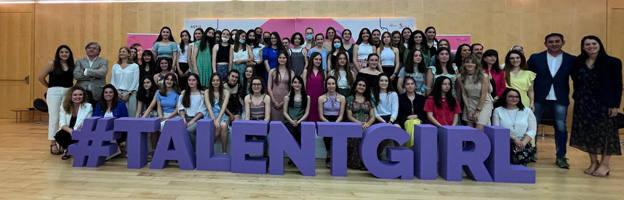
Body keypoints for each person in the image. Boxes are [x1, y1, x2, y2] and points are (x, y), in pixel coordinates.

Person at [570, 35, 622, 177]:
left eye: (594, 43)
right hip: (584, 103)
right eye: (587, 44)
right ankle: (593, 162)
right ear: (583, 46)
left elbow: (617, 85)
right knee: (588, 133)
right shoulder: (578, 62)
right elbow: (576, 80)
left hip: (604, 104)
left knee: (607, 134)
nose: (591, 46)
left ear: (599, 45)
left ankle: (605, 165)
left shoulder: (613, 62)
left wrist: (615, 105)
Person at [527, 33, 576, 169]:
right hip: (538, 98)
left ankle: (561, 156)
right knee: (533, 126)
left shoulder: (571, 59)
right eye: (550, 41)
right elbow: (527, 77)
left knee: (560, 127)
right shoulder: (536, 58)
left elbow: (578, 78)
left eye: (557, 41)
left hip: (560, 98)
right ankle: (531, 152)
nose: (554, 44)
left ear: (563, 42)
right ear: (545, 43)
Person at [38, 45, 75, 155]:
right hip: (54, 92)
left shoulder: (72, 65)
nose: (64, 54)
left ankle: (63, 142)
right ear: (58, 54)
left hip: (68, 91)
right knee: (54, 117)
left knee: (66, 117)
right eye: (62, 52)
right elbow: (40, 77)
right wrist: (50, 86)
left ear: (70, 54)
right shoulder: (52, 64)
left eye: (66, 52)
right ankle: (53, 143)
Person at [492, 88, 537, 166]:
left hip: (523, 143)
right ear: (505, 97)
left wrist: (523, 143)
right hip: (505, 142)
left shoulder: (527, 111)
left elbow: (532, 130)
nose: (514, 99)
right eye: (511, 96)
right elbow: (497, 130)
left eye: (517, 97)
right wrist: (514, 139)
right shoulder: (498, 111)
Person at [54, 86, 93, 160]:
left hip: (81, 130)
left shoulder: (88, 106)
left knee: (75, 136)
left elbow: (86, 123)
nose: (77, 97)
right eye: (75, 95)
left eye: (80, 95)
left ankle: (69, 149)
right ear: (70, 96)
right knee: (59, 135)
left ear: (83, 96)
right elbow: (62, 123)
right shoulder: (64, 106)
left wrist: (75, 131)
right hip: (68, 130)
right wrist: (70, 131)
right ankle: (67, 149)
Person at [346, 78, 376, 170]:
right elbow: (349, 116)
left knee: (368, 136)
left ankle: (366, 163)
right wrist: (359, 123)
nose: (361, 87)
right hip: (354, 125)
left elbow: (373, 116)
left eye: (363, 85)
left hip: (367, 125)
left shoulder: (369, 99)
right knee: (356, 136)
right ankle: (354, 163)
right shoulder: (350, 98)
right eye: (359, 85)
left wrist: (367, 124)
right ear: (355, 86)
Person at [457, 55, 493, 130]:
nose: (470, 64)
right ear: (463, 64)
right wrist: (468, 110)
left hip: (484, 103)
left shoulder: (484, 76)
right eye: (467, 62)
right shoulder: (460, 77)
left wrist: (478, 111)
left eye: (473, 62)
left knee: (479, 128)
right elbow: (464, 94)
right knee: (470, 129)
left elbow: (483, 94)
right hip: (469, 102)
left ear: (476, 65)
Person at [93, 84, 129, 156]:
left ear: (114, 94)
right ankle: (112, 150)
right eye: (106, 92)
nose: (108, 94)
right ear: (103, 94)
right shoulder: (99, 105)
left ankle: (114, 149)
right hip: (101, 132)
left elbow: (125, 121)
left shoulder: (121, 104)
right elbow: (94, 119)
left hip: (116, 133)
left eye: (110, 92)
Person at [318, 76, 347, 168]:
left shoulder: (342, 98)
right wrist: (328, 124)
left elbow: (341, 115)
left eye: (333, 83)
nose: (331, 86)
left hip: (337, 120)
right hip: (325, 120)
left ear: (336, 85)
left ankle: (336, 157)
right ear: (326, 85)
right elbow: (321, 115)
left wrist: (335, 124)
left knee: (336, 137)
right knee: (327, 137)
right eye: (329, 84)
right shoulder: (321, 98)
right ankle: (329, 155)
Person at [177, 73, 207, 144]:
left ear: (197, 81)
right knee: (176, 129)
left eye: (193, 80)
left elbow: (202, 110)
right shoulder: (184, 94)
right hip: (185, 118)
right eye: (189, 80)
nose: (191, 82)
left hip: (198, 120)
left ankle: (194, 151)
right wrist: (183, 119)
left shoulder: (202, 95)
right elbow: (181, 108)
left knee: (188, 130)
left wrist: (192, 121)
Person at [111, 47, 140, 117]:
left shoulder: (135, 66)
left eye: (123, 51)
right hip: (117, 94)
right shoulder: (115, 66)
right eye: (120, 51)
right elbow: (113, 81)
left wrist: (128, 94)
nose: (121, 53)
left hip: (131, 94)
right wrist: (117, 93)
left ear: (129, 54)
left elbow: (135, 81)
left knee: (131, 115)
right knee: (118, 114)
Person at [205, 74, 230, 153]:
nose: (215, 82)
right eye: (213, 80)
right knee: (218, 127)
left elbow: (223, 108)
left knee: (223, 125)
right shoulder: (207, 91)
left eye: (217, 80)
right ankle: (207, 149)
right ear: (211, 82)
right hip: (210, 115)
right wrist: (214, 120)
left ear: (220, 82)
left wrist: (218, 120)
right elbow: (209, 107)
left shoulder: (226, 92)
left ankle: (224, 152)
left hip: (221, 115)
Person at [283, 76, 311, 147]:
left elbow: (306, 113)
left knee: (302, 138)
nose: (297, 84)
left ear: (302, 84)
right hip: (289, 122)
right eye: (295, 82)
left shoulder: (307, 97)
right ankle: (292, 157)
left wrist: (298, 122)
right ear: (292, 84)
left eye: (299, 82)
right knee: (291, 141)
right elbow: (285, 112)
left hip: (301, 122)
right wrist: (292, 121)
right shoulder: (287, 98)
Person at [268, 51, 294, 121]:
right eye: (280, 57)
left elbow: (292, 89)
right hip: (273, 100)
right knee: (274, 122)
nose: (282, 59)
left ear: (287, 59)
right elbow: (269, 88)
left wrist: (284, 102)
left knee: (284, 122)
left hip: (285, 100)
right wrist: (274, 101)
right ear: (277, 59)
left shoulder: (291, 72)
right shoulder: (272, 71)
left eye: (284, 58)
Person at [303, 52, 325, 122]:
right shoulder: (306, 71)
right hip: (309, 98)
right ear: (312, 59)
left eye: (320, 59)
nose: (318, 61)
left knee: (319, 117)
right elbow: (303, 86)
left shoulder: (323, 72)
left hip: (320, 98)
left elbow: (324, 87)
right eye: (316, 59)